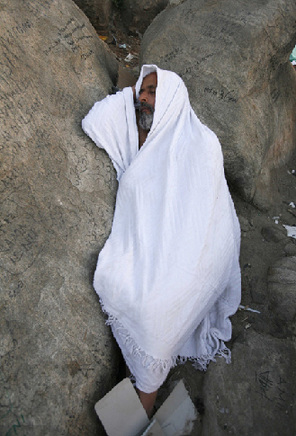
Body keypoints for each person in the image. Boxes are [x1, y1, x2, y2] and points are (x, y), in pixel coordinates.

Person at [82, 64, 241, 417]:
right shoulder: (137, 134)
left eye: (154, 92)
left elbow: (206, 223)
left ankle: (142, 404)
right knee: (122, 286)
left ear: (173, 100)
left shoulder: (202, 144)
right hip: (144, 249)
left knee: (155, 319)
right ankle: (135, 394)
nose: (143, 98)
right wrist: (130, 94)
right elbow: (94, 120)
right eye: (142, 90)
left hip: (197, 258)